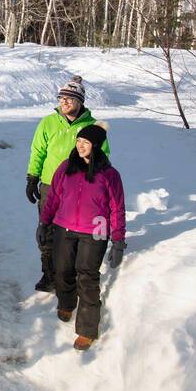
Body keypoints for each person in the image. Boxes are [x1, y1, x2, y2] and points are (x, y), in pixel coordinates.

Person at [37, 124, 126, 351]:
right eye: (78, 141)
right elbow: (54, 198)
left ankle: (87, 329)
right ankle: (66, 302)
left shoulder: (109, 175)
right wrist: (44, 222)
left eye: (85, 143)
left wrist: (117, 241)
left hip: (94, 231)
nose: (80, 146)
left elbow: (117, 209)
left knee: (87, 277)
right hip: (63, 227)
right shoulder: (66, 167)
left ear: (96, 146)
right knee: (63, 269)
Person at [25, 76, 109, 292]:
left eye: (69, 99)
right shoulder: (48, 123)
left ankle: (69, 275)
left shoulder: (92, 126)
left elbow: (103, 157)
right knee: (47, 232)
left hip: (79, 189)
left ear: (80, 101)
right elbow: (38, 151)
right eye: (61, 98)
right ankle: (49, 275)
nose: (64, 102)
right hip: (49, 186)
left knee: (72, 234)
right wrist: (32, 177)